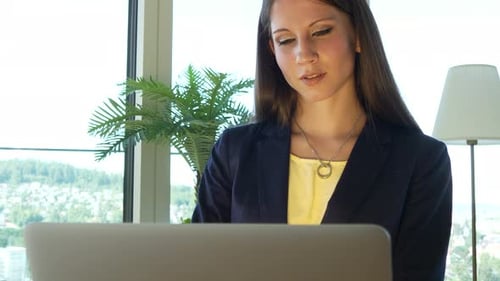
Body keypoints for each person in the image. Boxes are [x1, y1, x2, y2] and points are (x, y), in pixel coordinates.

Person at [192, 0, 453, 280]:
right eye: (286, 40)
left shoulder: (421, 159)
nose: (304, 54)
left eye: (321, 32)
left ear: (358, 36)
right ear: (272, 50)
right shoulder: (234, 151)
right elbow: (197, 266)